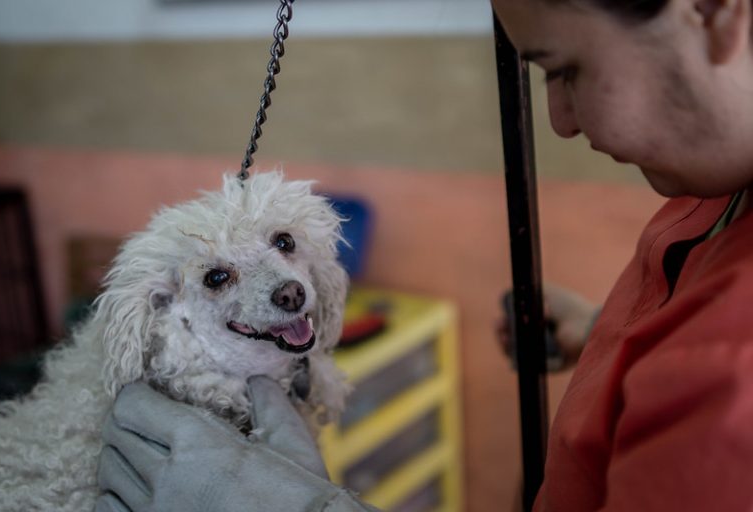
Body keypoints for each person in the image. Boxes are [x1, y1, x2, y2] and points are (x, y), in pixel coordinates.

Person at [96, 0, 753, 510]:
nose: (559, 120)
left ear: (714, 10)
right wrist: (611, 333)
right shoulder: (716, 187)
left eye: (564, 69)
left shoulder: (731, 379)